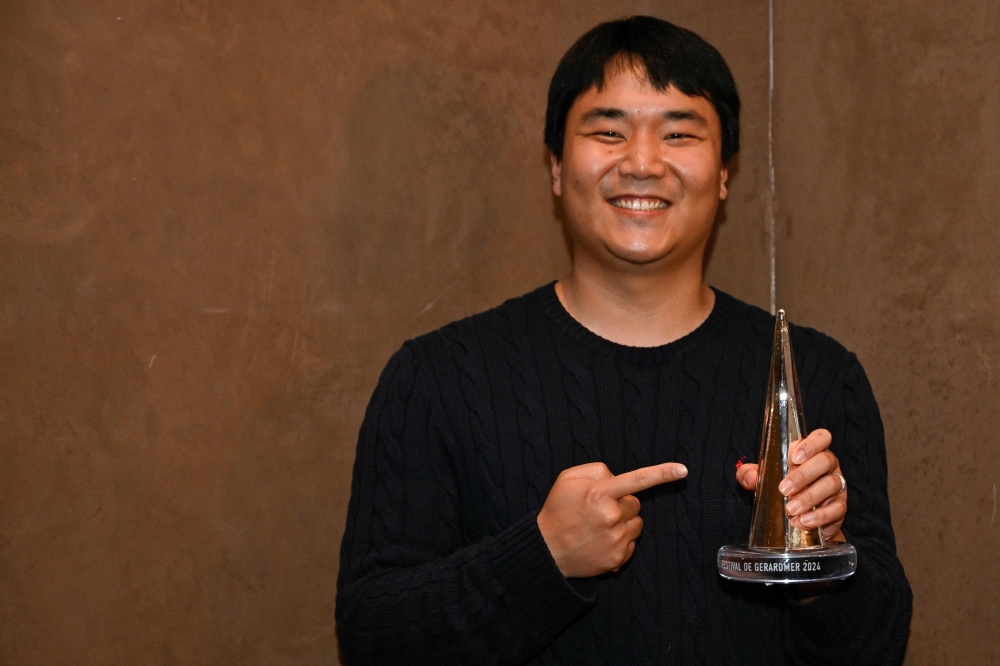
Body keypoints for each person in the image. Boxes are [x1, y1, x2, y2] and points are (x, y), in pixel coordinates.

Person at [336, 16, 911, 665]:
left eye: (679, 133)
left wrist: (823, 554)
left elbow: (876, 649)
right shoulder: (436, 379)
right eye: (608, 131)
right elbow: (371, 639)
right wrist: (542, 558)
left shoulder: (819, 376)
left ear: (724, 175)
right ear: (556, 167)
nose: (642, 162)